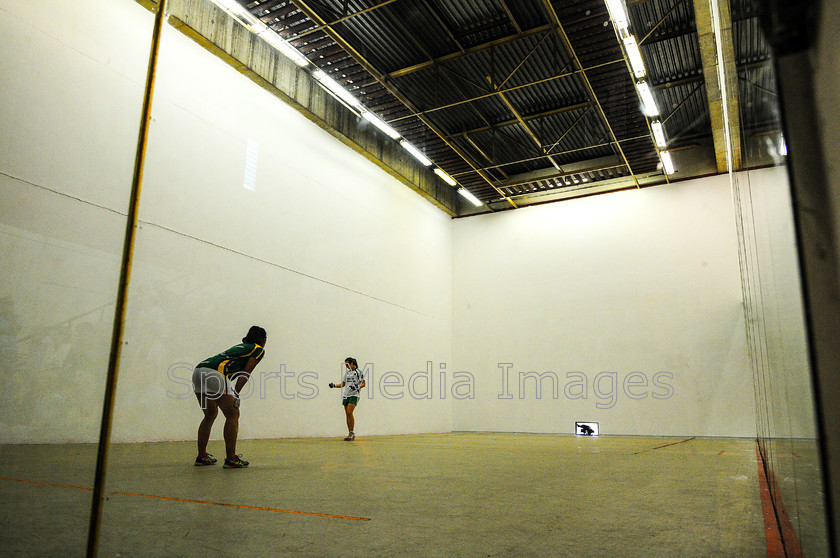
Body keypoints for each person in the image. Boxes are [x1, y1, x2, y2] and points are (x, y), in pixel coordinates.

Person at [192, 326, 266, 468]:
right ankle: (231, 458)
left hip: (199, 370)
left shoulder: (242, 347)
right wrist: (236, 394)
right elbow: (245, 373)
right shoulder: (258, 349)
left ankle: (201, 456)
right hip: (214, 373)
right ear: (263, 339)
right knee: (233, 413)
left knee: (210, 414)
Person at [329, 357, 365, 441]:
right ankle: (350, 433)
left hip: (354, 394)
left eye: (347, 364)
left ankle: (352, 432)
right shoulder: (347, 373)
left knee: (350, 412)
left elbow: (363, 383)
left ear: (352, 363)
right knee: (347, 414)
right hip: (346, 395)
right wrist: (334, 385)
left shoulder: (358, 372)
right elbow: (343, 384)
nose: (346, 366)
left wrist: (357, 387)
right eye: (345, 364)